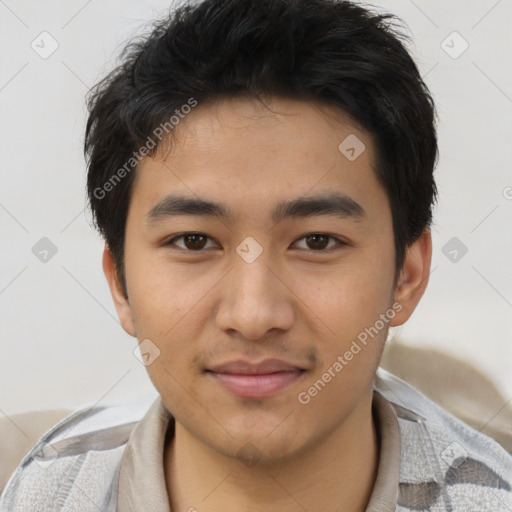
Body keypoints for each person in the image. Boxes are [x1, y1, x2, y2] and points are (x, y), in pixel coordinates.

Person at [1, 0, 511, 510]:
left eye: (317, 241)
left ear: (407, 275)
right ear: (120, 283)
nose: (253, 316)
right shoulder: (36, 491)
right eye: (193, 241)